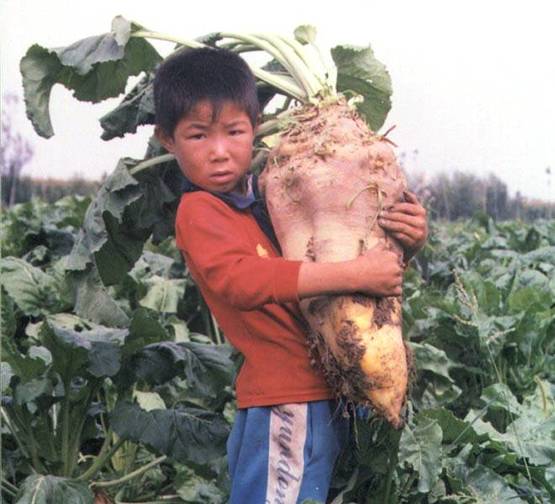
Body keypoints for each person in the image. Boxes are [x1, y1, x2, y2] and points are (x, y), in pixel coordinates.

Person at [153, 46, 428, 504]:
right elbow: (244, 281)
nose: (220, 152)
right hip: (287, 399)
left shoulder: (264, 200)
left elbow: (337, 266)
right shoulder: (200, 212)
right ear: (167, 141)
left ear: (256, 129)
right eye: (198, 136)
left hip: (319, 388)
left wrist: (406, 242)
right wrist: (355, 272)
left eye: (234, 132)